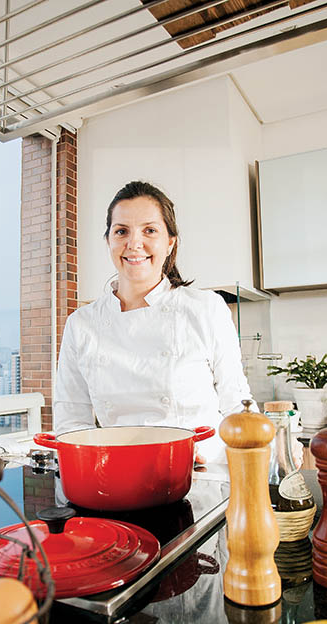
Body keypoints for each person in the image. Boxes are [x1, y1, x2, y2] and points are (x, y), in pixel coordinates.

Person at [53, 180, 256, 464]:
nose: (134, 244)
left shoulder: (206, 308)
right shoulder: (81, 324)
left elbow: (237, 404)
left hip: (200, 475)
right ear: (109, 241)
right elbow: (71, 422)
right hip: (117, 476)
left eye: (150, 230)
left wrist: (269, 450)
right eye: (121, 231)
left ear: (170, 242)